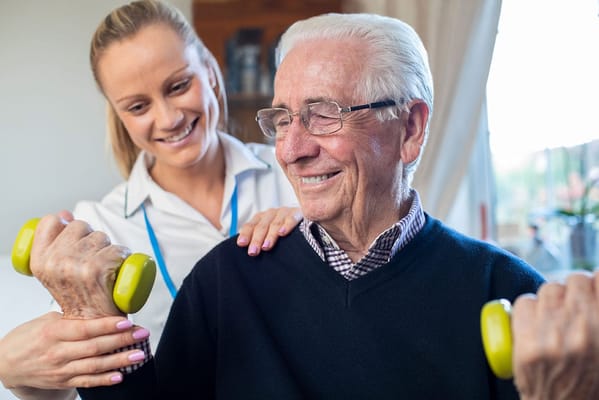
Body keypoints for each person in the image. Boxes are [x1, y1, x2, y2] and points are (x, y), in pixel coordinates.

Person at [19, 12, 599, 400]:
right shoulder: (223, 280)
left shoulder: (504, 291)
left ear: (411, 129)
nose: (291, 151)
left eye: (324, 114)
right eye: (283, 119)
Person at [0, 0, 301, 399]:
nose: (168, 118)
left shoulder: (294, 176)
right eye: (138, 106)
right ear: (119, 115)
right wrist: (13, 371)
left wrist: (316, 226)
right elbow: (74, 382)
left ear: (210, 71)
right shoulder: (98, 230)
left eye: (178, 86)